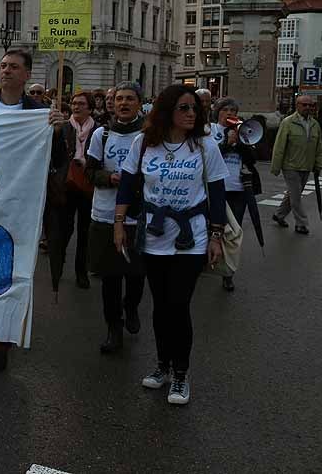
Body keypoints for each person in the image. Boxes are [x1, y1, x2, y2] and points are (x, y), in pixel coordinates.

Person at [115, 84, 227, 405]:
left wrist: (216, 236)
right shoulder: (143, 143)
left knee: (178, 305)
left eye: (194, 108)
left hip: (191, 238)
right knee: (161, 306)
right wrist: (119, 225)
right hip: (153, 236)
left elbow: (217, 194)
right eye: (183, 108)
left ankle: (181, 373)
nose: (191, 114)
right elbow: (127, 187)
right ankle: (162, 365)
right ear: (167, 111)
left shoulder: (205, 146)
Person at [0, 49, 67, 372]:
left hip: (21, 204)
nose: (6, 71)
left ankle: (1, 336)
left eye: (13, 67)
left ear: (27, 75)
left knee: (11, 267)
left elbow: (57, 161)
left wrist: (57, 132)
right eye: (2, 66)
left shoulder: (39, 113)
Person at [85, 82, 146, 354]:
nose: (123, 103)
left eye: (129, 99)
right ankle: (113, 328)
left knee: (135, 274)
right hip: (105, 215)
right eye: (119, 98)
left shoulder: (148, 134)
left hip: (137, 217)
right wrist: (109, 178)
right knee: (110, 278)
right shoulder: (102, 134)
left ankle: (131, 305)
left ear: (139, 103)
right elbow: (90, 171)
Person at [211, 97, 260, 291]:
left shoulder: (242, 132)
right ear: (218, 112)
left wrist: (239, 142)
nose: (230, 113)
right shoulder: (210, 131)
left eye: (233, 110)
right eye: (226, 110)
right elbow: (209, 158)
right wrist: (227, 142)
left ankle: (228, 273)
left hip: (237, 189)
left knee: (233, 233)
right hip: (216, 189)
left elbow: (253, 160)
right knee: (213, 230)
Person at [54, 91, 97, 289]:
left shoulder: (99, 130)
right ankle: (58, 265)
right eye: (73, 103)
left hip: (88, 185)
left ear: (90, 108)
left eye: (81, 103)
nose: (76, 106)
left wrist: (87, 163)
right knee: (64, 229)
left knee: (85, 231)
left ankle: (82, 271)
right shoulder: (62, 128)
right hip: (66, 184)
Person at [271, 95, 322, 235]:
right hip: (290, 166)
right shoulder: (288, 122)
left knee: (294, 194)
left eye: (310, 105)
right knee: (296, 197)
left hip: (306, 166)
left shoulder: (315, 124)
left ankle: (279, 215)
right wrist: (276, 166)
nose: (308, 108)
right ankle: (301, 224)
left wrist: (318, 164)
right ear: (297, 105)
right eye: (304, 105)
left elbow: (319, 147)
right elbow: (279, 146)